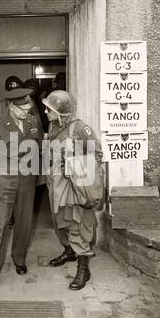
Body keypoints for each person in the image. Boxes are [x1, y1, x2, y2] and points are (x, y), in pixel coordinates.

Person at [42, 90, 103, 291]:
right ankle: (69, 250)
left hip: (74, 185)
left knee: (77, 223)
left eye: (49, 109)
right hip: (56, 183)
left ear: (60, 112)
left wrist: (75, 165)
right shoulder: (53, 126)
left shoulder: (79, 128)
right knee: (58, 220)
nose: (45, 112)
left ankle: (83, 266)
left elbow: (97, 154)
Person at [0, 88, 43, 281]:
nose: (27, 111)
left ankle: (19, 259)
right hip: (5, 181)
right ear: (11, 106)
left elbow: (39, 147)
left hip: (27, 181)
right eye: (23, 108)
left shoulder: (33, 122)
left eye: (29, 106)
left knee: (24, 223)